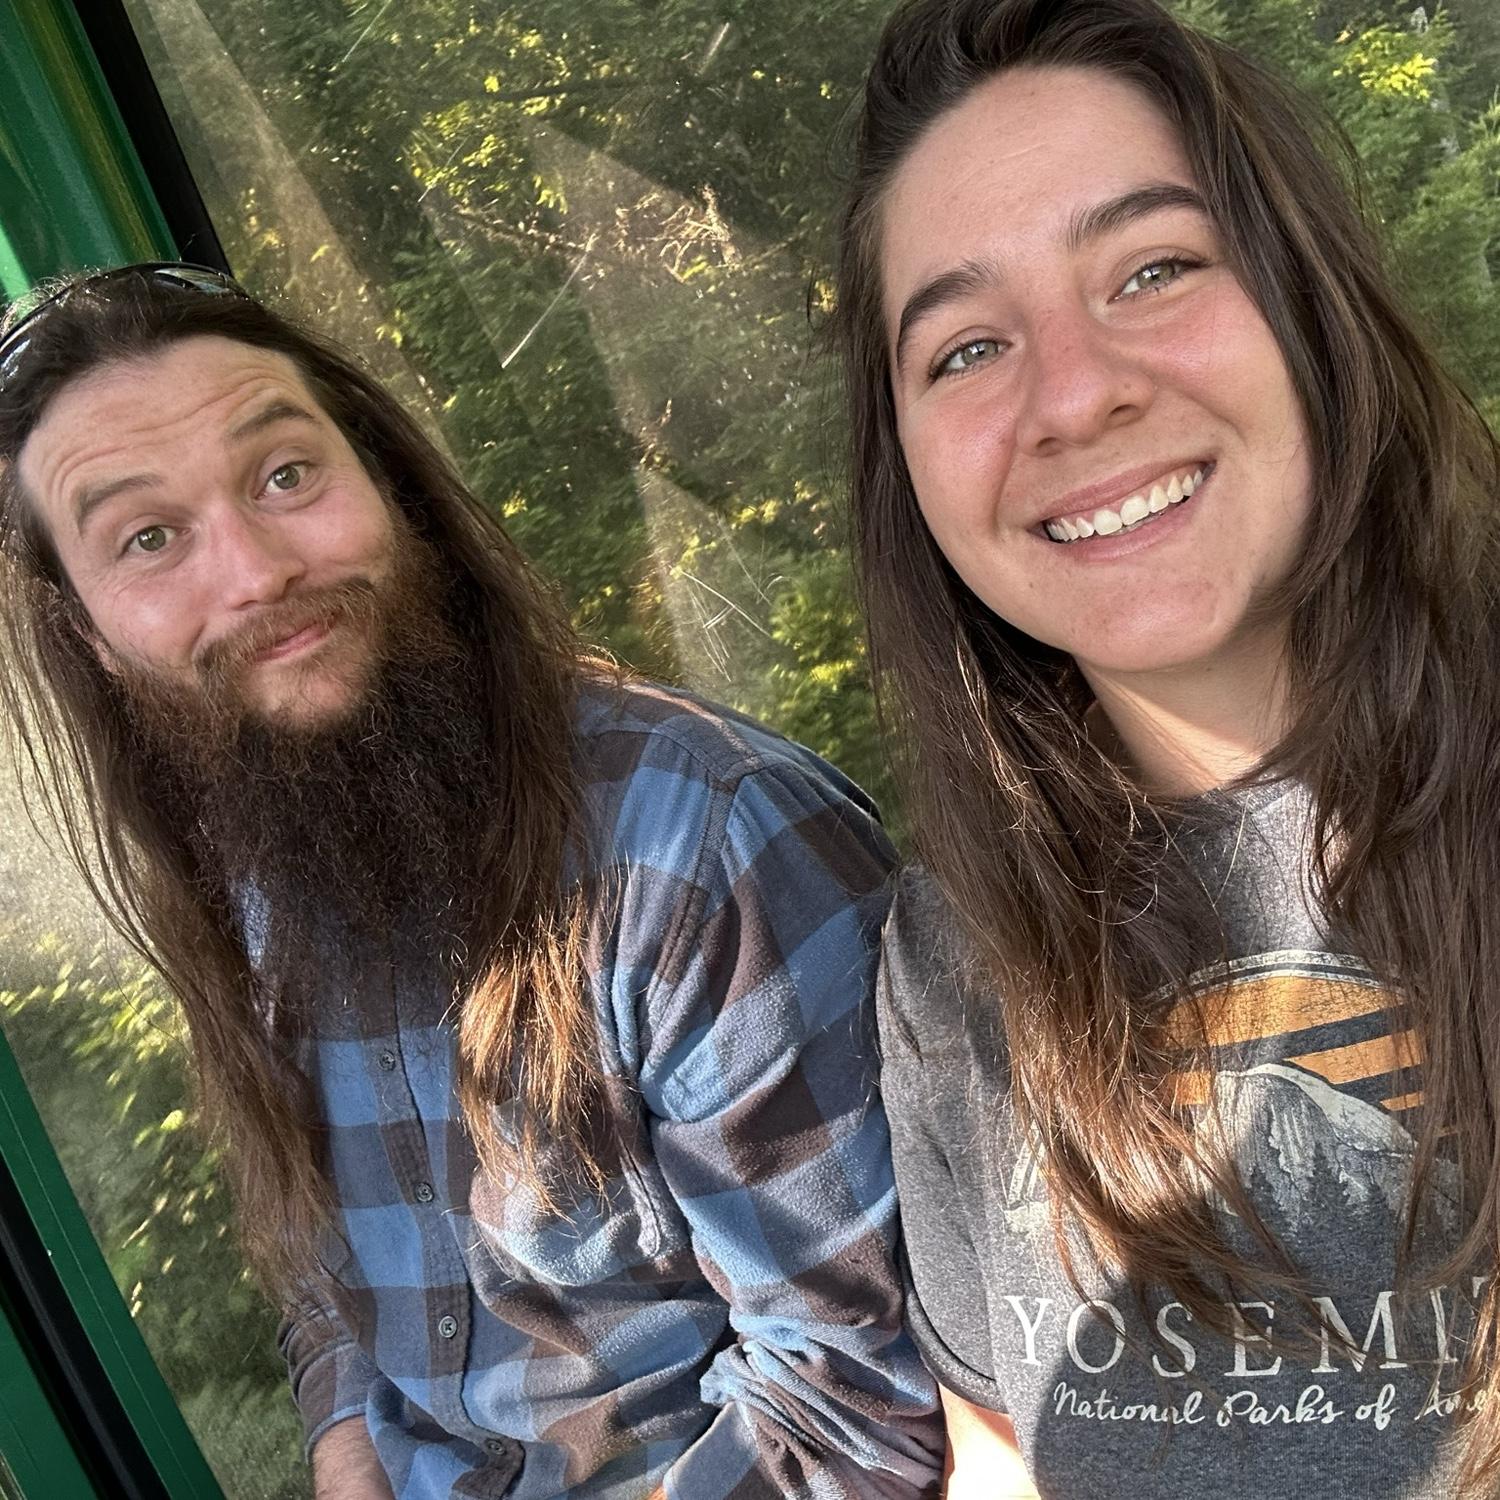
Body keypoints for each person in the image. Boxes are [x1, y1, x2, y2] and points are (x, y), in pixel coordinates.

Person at [0, 264, 944, 1499]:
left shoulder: (704, 849)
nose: (254, 570)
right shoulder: (253, 871)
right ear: (90, 635)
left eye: (285, 475)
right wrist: (347, 1456)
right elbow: (332, 1289)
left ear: (389, 486)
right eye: (148, 538)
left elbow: (859, 1402)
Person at [831, 0, 1500, 1496]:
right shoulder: (950, 949)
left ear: (1310, 303)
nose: (1074, 394)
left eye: (1154, 269)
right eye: (967, 348)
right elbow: (996, 1456)